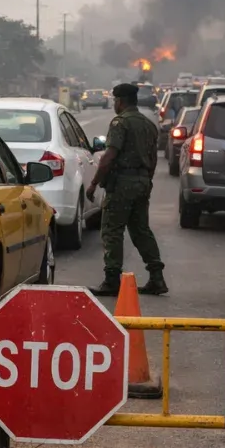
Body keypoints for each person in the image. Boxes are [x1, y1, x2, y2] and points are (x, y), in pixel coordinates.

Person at [86, 83, 168, 297]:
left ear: (120, 101)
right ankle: (157, 277)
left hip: (122, 184)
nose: (114, 104)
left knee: (112, 230)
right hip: (142, 182)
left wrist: (94, 183)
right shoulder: (148, 125)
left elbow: (109, 156)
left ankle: (112, 279)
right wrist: (145, 180)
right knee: (141, 230)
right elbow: (153, 159)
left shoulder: (120, 123)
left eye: (115, 100)